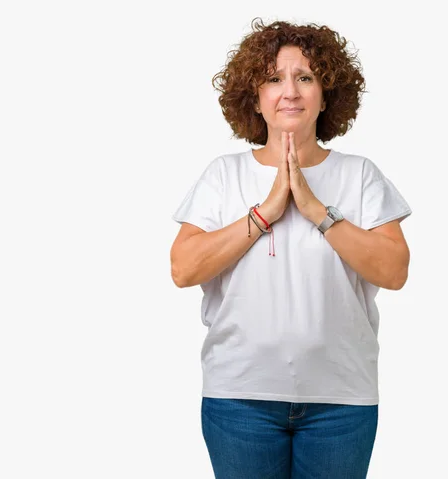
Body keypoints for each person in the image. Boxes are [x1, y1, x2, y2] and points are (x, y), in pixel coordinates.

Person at [169, 17, 412, 479]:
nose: (291, 92)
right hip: (240, 400)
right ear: (255, 98)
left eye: (305, 77)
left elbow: (394, 270)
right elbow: (183, 268)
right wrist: (265, 212)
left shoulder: (359, 175)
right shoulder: (223, 175)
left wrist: (316, 209)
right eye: (274, 79)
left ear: (326, 94)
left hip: (341, 403)